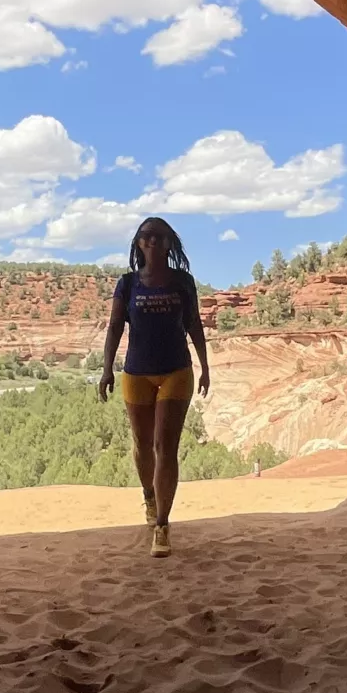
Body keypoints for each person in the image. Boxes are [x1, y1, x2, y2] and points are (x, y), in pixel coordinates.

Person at [98, 215, 211, 557]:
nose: (152, 241)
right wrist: (107, 369)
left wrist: (205, 366)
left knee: (166, 446)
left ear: (169, 243)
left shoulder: (182, 282)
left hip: (176, 370)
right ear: (137, 243)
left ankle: (162, 525)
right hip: (137, 373)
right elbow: (116, 326)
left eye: (159, 236)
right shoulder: (128, 283)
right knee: (142, 442)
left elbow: (194, 324)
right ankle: (149, 495)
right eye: (146, 236)